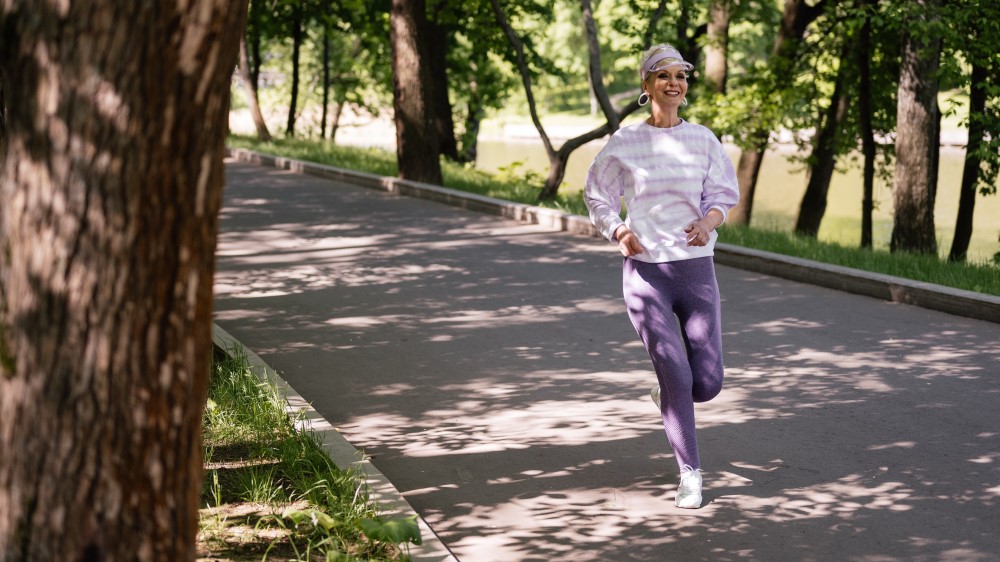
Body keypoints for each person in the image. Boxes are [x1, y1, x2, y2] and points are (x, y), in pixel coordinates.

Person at [584, 44, 740, 509]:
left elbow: (722, 194)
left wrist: (707, 223)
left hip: (696, 272)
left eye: (681, 76)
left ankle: (670, 393)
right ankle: (690, 473)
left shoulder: (703, 139)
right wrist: (618, 229)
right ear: (646, 85)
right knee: (676, 370)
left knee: (706, 384)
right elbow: (597, 194)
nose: (674, 83)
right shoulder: (625, 142)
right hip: (647, 278)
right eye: (663, 76)